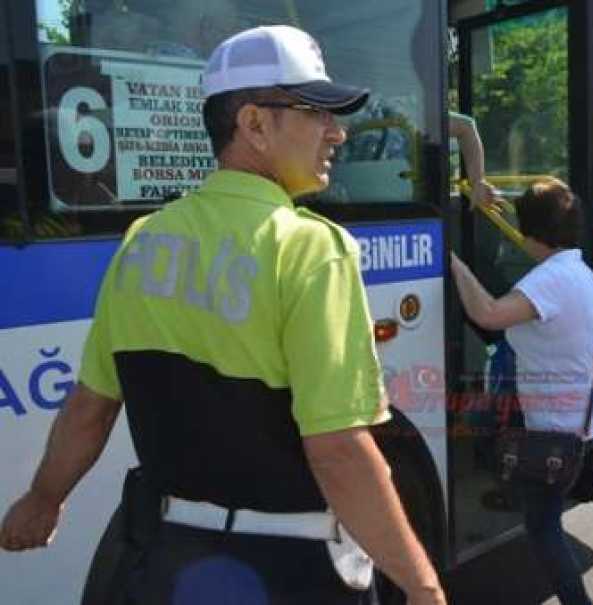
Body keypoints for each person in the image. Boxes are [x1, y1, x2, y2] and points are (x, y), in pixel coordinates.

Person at [0, 25, 445, 605]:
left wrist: (43, 499)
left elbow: (90, 408)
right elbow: (338, 452)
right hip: (288, 573)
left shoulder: (142, 242)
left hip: (161, 564)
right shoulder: (309, 247)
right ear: (254, 123)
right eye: (316, 112)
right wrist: (424, 585)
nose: (337, 132)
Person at [450, 178, 593, 605]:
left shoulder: (551, 280)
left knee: (544, 532)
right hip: (580, 418)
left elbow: (486, 313)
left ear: (530, 230)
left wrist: (450, 258)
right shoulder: (578, 271)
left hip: (555, 430)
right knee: (482, 420)